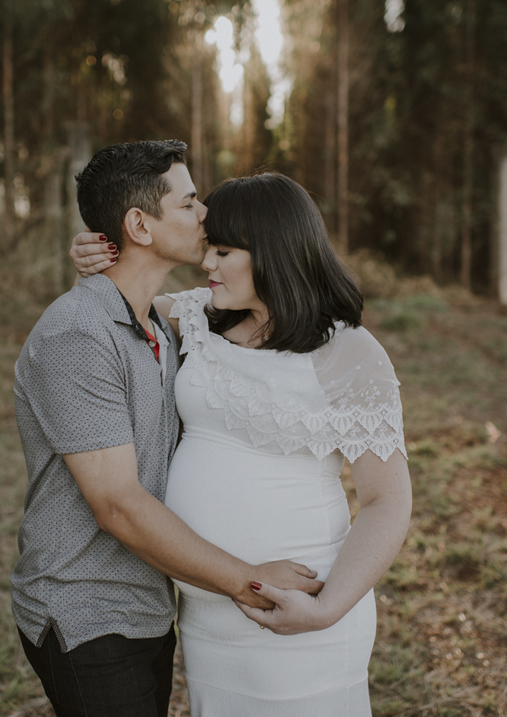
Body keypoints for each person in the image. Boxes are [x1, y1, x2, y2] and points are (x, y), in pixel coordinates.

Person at [69, 172, 412, 717]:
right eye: (209, 248)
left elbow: (387, 501)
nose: (207, 264)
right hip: (211, 616)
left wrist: (325, 610)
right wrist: (102, 258)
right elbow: (114, 308)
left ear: (275, 250)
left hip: (308, 606)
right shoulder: (194, 320)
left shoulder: (351, 354)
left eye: (224, 251)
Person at [11, 141, 322, 717]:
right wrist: (248, 581)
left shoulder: (158, 322)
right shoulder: (77, 336)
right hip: (85, 609)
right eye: (189, 203)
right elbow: (118, 505)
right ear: (139, 224)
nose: (204, 214)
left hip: (147, 602)